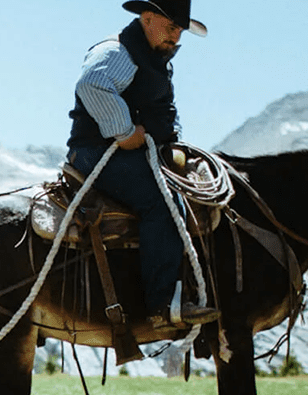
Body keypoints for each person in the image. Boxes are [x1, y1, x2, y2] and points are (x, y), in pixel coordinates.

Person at [66, 0, 217, 328]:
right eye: (171, 26)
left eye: (180, 29)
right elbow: (91, 84)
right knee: (161, 202)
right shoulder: (118, 52)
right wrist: (122, 130)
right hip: (97, 154)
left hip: (128, 153)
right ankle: (161, 305)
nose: (176, 36)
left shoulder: (151, 56)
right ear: (147, 18)